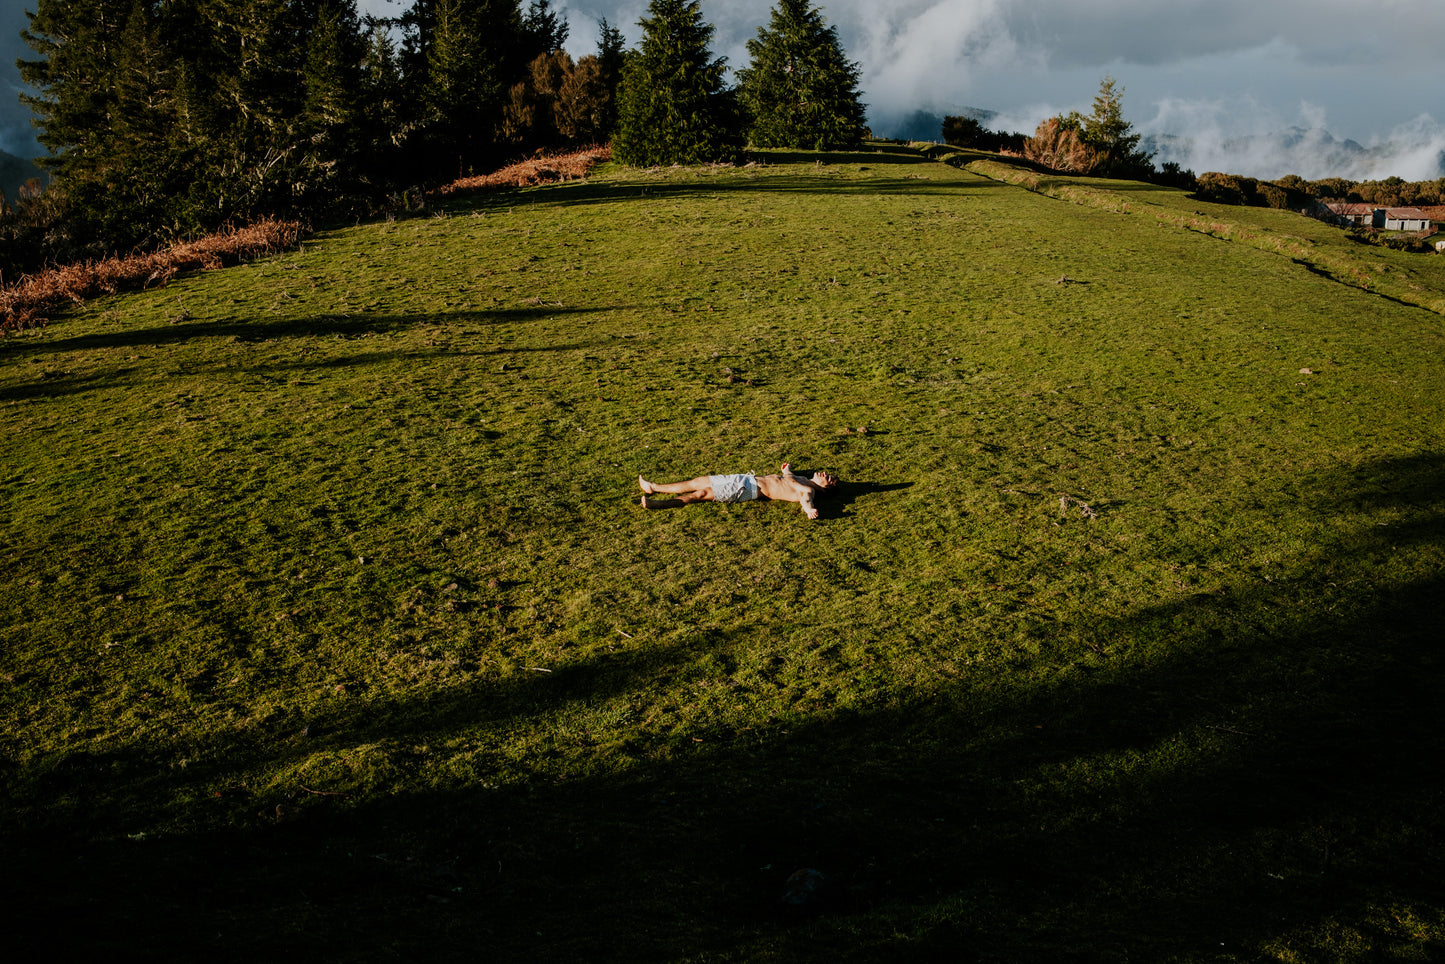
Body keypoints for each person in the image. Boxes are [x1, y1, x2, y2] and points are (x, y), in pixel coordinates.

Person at [638, 464, 839, 519]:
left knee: (700, 494)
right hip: (746, 478)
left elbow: (805, 500)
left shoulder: (807, 491)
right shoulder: (803, 479)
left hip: (748, 489)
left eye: (827, 478)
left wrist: (808, 510)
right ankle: (653, 487)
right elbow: (788, 477)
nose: (825, 474)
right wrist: (786, 469)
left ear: (824, 487)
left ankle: (659, 505)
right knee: (697, 481)